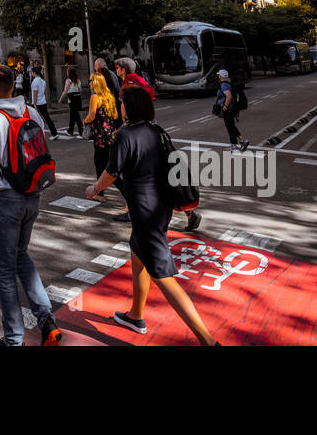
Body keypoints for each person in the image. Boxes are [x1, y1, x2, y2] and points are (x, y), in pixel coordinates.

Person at [85, 84, 219, 344]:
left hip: (145, 212)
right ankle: (135, 315)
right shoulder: (156, 130)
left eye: (123, 102)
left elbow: (111, 172)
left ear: (130, 107)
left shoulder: (125, 135)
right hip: (160, 207)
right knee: (138, 257)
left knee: (164, 277)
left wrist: (93, 189)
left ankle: (208, 340)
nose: (120, 106)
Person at [0, 63, 62, 347]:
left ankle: (13, 340)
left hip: (5, 199)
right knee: (21, 256)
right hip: (33, 195)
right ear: (14, 85)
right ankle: (47, 322)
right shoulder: (31, 112)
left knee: (6, 271)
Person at [84, 73, 122, 202]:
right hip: (110, 135)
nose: (89, 83)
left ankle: (126, 194)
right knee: (104, 163)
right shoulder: (110, 97)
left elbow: (91, 116)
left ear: (95, 83)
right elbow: (116, 116)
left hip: (100, 137)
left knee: (102, 164)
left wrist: (85, 121)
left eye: (90, 80)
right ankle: (100, 193)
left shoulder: (95, 97)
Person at [216, 68, 248, 151]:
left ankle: (234, 145)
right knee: (231, 126)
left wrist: (225, 106)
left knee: (229, 127)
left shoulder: (224, 85)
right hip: (232, 108)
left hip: (229, 109)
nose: (218, 76)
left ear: (221, 76)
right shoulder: (228, 83)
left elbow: (229, 96)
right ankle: (242, 141)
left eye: (218, 75)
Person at [29, 64, 58, 139]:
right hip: (43, 101)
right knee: (47, 118)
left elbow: (35, 93)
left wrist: (35, 104)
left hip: (37, 102)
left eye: (32, 72)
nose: (32, 74)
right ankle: (54, 133)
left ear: (34, 73)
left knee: (33, 118)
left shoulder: (35, 82)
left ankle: (33, 135)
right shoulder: (43, 81)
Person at [59, 66, 84, 138]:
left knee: (76, 116)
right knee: (72, 116)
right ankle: (70, 131)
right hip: (77, 99)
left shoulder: (68, 80)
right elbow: (80, 90)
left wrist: (61, 99)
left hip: (71, 100)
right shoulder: (78, 80)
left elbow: (65, 91)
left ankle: (81, 132)